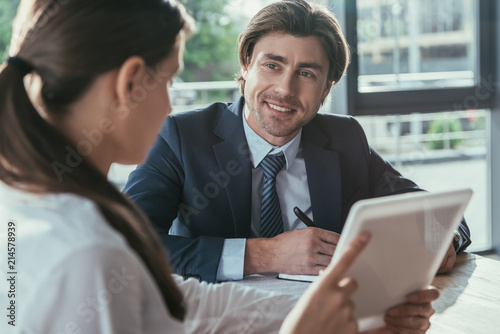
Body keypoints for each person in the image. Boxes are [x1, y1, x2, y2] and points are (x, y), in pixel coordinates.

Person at [0, 0, 439, 333]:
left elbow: (185, 303)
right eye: (169, 81)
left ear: (327, 88)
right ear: (131, 82)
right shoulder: (86, 251)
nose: (170, 102)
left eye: (306, 73)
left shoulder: (43, 211)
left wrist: (354, 316)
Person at [124, 0, 472, 284]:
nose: (285, 90)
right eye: (272, 65)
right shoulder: (179, 137)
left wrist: (444, 239)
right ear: (246, 65)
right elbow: (128, 245)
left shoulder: (344, 138)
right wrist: (263, 254)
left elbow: (435, 213)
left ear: (327, 89)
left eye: (306, 73)